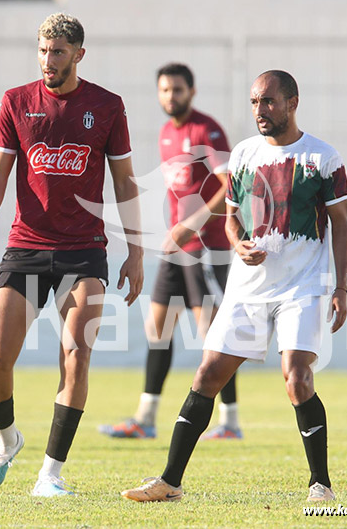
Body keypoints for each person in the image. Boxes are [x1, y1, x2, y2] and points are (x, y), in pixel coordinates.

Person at [120, 70, 347, 503]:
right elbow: (229, 216)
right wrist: (236, 244)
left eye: (268, 101)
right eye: (254, 102)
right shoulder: (244, 154)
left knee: (297, 378)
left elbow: (342, 224)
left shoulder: (324, 158)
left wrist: (341, 288)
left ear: (292, 102)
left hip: (302, 287)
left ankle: (320, 485)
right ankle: (170, 481)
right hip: (247, 288)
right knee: (207, 374)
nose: (259, 111)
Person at [0, 13, 143, 497]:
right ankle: (7, 442)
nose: (49, 60)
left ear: (79, 55)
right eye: (44, 51)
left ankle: (50, 475)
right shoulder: (15, 101)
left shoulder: (106, 106)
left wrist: (136, 251)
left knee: (76, 354)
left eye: (59, 52)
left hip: (84, 252)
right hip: (25, 246)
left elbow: (126, 182)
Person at [99, 63, 242, 440]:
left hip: (207, 248)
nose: (170, 97)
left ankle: (229, 422)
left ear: (191, 92)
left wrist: (189, 224)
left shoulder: (206, 130)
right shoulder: (165, 133)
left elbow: (231, 188)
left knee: (212, 335)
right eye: (164, 90)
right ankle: (145, 418)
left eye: (177, 90)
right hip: (176, 247)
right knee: (157, 328)